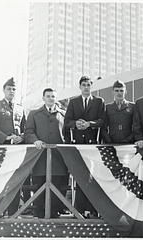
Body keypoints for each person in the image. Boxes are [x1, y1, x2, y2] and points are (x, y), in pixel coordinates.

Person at [64, 76, 105, 218]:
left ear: (91, 86)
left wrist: (90, 124)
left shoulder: (99, 102)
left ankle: (92, 209)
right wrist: (76, 124)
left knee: (93, 177)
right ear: (80, 87)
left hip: (92, 145)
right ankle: (79, 209)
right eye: (84, 85)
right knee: (80, 177)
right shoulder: (73, 102)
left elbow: (102, 121)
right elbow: (67, 121)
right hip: (78, 144)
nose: (86, 87)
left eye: (88, 85)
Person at [0, 77, 26, 216]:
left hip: (17, 151)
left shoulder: (20, 108)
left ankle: (14, 213)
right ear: (3, 90)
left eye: (14, 89)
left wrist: (22, 137)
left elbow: (26, 128)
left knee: (15, 180)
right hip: (1, 150)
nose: (12, 91)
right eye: (9, 89)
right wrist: (5, 138)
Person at [25, 88, 68, 218]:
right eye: (48, 96)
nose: (50, 98)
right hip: (40, 155)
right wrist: (35, 141)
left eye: (53, 96)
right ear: (43, 98)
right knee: (39, 183)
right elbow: (28, 132)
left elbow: (67, 134)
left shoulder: (64, 115)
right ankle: (39, 212)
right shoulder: (34, 114)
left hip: (57, 156)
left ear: (56, 98)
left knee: (57, 183)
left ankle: (54, 212)